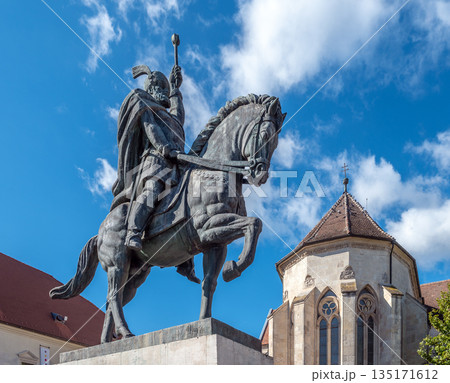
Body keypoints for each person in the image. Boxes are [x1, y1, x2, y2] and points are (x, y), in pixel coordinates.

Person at [110, 64, 198, 283]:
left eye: (165, 87)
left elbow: (178, 111)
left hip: (177, 166)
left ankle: (185, 259)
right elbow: (151, 129)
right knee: (153, 190)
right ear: (150, 87)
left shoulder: (172, 118)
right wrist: (163, 147)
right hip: (155, 162)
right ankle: (133, 230)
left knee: (191, 199)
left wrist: (177, 88)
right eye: (159, 85)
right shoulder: (146, 107)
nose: (163, 90)